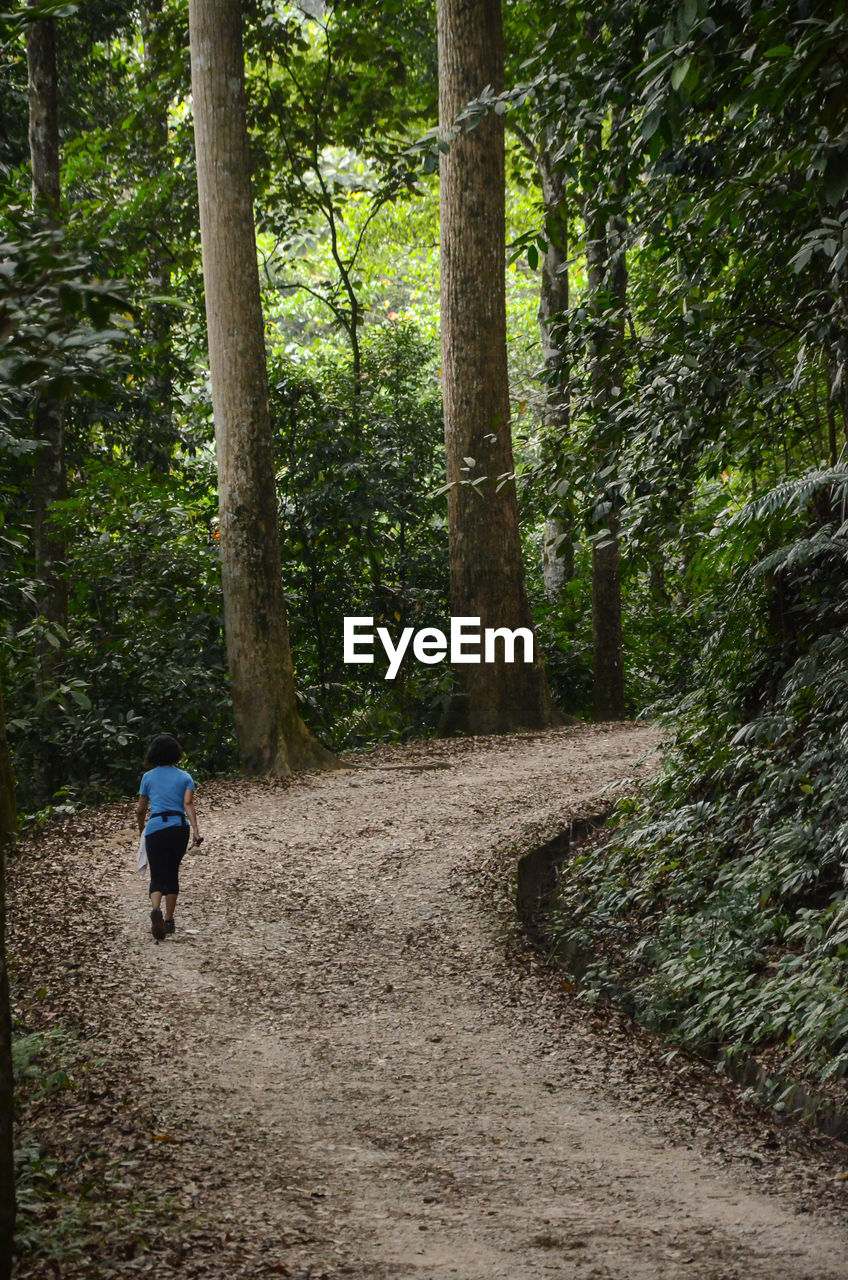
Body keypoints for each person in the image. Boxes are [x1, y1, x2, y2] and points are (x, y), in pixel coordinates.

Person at [136, 734, 201, 941]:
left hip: (155, 828)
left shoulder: (148, 777)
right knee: (172, 872)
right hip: (178, 828)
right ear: (176, 754)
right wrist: (196, 832)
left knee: (157, 873)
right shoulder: (185, 777)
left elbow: (140, 809)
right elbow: (188, 805)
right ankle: (169, 920)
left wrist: (141, 831)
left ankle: (156, 908)